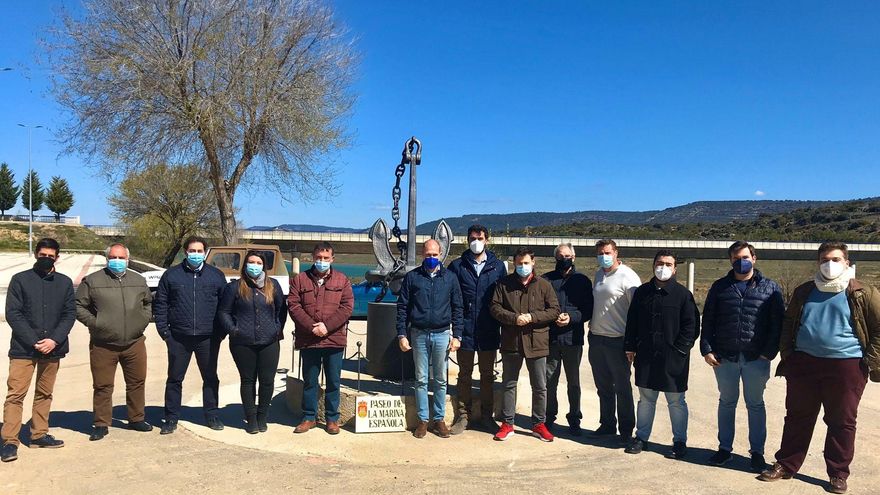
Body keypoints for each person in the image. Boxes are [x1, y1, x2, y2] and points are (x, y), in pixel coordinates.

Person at [759, 242, 880, 495]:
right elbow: (789, 323)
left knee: (842, 421)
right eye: (825, 260)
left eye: (836, 259)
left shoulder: (863, 292)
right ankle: (786, 464)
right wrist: (789, 355)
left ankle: (838, 473)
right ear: (818, 263)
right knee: (797, 417)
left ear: (847, 262)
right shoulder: (805, 291)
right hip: (804, 363)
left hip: (847, 365)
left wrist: (869, 360)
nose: (830, 264)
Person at [700, 241, 784, 472]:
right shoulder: (720, 287)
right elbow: (708, 319)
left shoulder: (770, 288)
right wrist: (706, 349)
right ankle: (724, 449)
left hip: (756, 358)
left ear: (754, 258)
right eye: (736, 258)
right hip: (725, 357)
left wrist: (769, 352)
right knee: (726, 402)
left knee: (755, 404)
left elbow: (777, 323)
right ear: (730, 260)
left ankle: (757, 452)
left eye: (745, 257)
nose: (741, 262)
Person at [1, 238, 75, 462]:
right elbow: (13, 313)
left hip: (53, 349)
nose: (46, 259)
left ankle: (39, 434)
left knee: (44, 393)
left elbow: (69, 314)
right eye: (43, 255)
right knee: (16, 395)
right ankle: (9, 441)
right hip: (23, 349)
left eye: (51, 256)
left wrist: (54, 340)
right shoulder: (20, 280)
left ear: (57, 258)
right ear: (36, 254)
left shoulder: (64, 283)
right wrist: (35, 341)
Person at [623, 249, 699, 459]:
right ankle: (641, 438)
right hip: (646, 356)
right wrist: (630, 346)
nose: (663, 268)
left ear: (674, 269)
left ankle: (679, 442)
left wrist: (681, 350)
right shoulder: (642, 292)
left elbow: (691, 327)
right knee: (646, 400)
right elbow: (632, 321)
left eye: (668, 264)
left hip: (674, 358)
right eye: (659, 263)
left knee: (676, 401)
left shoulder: (683, 295)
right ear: (653, 265)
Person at [75, 243, 153, 441]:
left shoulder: (138, 280)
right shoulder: (92, 281)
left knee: (136, 382)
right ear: (107, 259)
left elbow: (148, 303)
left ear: (128, 259)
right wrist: (96, 323)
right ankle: (101, 423)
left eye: (121, 258)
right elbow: (78, 305)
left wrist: (142, 321)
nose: (117, 261)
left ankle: (136, 418)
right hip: (103, 344)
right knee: (103, 385)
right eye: (113, 257)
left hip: (134, 342)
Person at [153, 235, 228, 434]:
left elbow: (225, 306)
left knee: (210, 377)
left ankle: (212, 415)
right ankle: (171, 418)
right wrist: (165, 332)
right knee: (174, 379)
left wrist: (220, 333)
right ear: (185, 252)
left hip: (208, 338)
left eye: (199, 251)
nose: (196, 254)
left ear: (205, 252)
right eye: (192, 251)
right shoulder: (171, 275)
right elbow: (161, 304)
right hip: (179, 337)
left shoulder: (216, 276)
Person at [490, 247, 560, 442]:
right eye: (519, 263)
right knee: (509, 384)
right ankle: (507, 424)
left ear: (533, 262)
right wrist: (514, 318)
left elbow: (554, 310)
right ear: (514, 263)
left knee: (539, 386)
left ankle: (539, 424)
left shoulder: (544, 285)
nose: (523, 266)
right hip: (511, 341)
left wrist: (533, 317)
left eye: (526, 263)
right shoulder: (503, 284)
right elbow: (495, 308)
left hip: (537, 342)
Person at [396, 239, 464, 439]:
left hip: (442, 334)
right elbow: (402, 308)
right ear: (422, 254)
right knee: (421, 379)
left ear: (440, 254)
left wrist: (457, 335)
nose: (431, 258)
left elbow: (458, 308)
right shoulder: (412, 277)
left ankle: (439, 419)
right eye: (428, 255)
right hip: (418, 334)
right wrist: (402, 334)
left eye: (435, 255)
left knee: (441, 379)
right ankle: (423, 420)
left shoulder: (450, 278)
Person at [218, 251, 287, 434]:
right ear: (245, 265)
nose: (254, 266)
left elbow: (281, 310)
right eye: (251, 262)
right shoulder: (234, 287)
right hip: (242, 342)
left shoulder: (273, 285)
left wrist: (276, 329)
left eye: (258, 263)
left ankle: (262, 416)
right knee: (248, 380)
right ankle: (251, 418)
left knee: (267, 381)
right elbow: (223, 312)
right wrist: (233, 330)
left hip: (269, 342)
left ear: (263, 266)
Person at [446, 224, 507, 434]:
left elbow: (504, 298)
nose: (476, 242)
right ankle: (463, 416)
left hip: (489, 330)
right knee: (464, 374)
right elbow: (452, 298)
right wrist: (455, 329)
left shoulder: (498, 267)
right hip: (465, 329)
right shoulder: (457, 266)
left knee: (487, 375)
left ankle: (487, 416)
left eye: (480, 238)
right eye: (472, 238)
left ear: (487, 240)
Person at [288, 242, 353, 435]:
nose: (322, 261)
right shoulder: (300, 279)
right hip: (309, 340)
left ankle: (332, 419)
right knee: (310, 381)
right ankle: (309, 417)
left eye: (325, 258)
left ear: (332, 259)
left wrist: (326, 327)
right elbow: (294, 306)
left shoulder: (342, 280)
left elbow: (346, 307)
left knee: (333, 381)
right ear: (312, 257)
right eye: (318, 258)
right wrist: (311, 327)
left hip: (334, 340)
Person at [588, 239, 641, 442]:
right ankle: (607, 424)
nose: (604, 256)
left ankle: (626, 429)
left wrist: (632, 343)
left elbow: (637, 311)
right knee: (603, 386)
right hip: (597, 339)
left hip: (618, 341)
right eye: (600, 253)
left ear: (616, 253)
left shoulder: (628, 276)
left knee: (622, 387)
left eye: (607, 252)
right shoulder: (599, 274)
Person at [542, 242, 593, 436]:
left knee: (574, 382)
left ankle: (574, 419)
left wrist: (572, 317)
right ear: (555, 258)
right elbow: (540, 307)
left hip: (573, 339)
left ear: (574, 257)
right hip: (551, 339)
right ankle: (548, 417)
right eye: (560, 256)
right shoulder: (546, 280)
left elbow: (588, 310)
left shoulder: (582, 280)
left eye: (567, 256)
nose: (564, 259)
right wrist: (552, 317)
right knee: (549, 381)